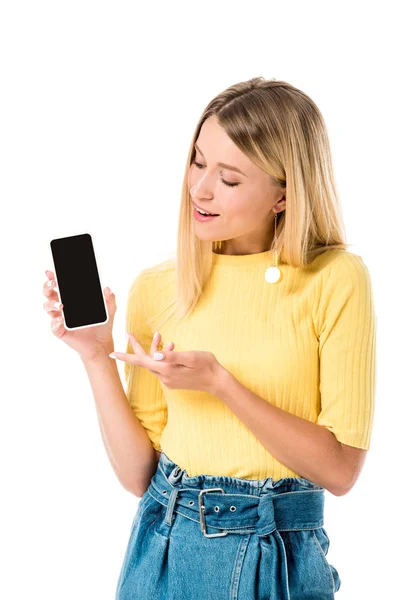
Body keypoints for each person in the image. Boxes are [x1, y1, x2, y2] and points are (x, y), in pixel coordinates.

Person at [43, 77, 376, 599]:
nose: (199, 189)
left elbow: (340, 469)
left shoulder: (334, 278)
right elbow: (138, 476)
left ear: (283, 196)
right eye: (198, 162)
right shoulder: (159, 288)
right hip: (163, 546)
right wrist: (95, 355)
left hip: (275, 555)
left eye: (229, 178)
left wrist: (221, 383)